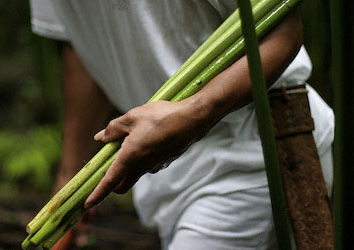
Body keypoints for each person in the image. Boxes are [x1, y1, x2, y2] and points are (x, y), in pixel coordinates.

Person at [30, 0, 334, 249]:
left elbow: (284, 30)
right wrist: (69, 182)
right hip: (165, 166)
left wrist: (194, 113)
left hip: (253, 148)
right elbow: (83, 46)